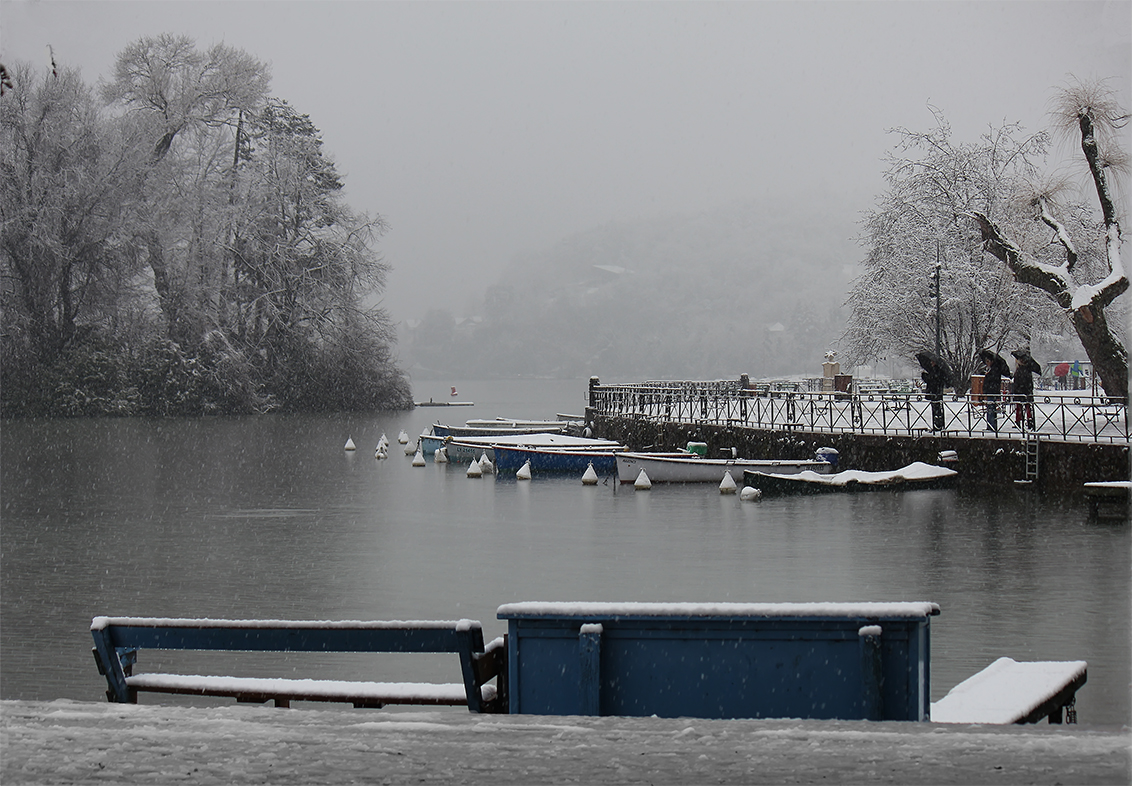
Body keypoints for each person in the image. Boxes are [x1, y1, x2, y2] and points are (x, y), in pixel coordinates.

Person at [916, 351, 951, 432]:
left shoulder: (936, 371)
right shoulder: (938, 371)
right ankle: (939, 425)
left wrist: (924, 376)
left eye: (932, 361)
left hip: (935, 392)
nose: (931, 363)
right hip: (937, 392)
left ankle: (937, 426)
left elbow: (932, 380)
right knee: (938, 409)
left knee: (936, 409)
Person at [979, 349, 1010, 433]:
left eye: (988, 361)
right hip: (991, 390)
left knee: (991, 408)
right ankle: (991, 425)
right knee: (990, 408)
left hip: (992, 391)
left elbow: (992, 380)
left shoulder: (994, 369)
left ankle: (991, 426)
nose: (986, 362)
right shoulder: (990, 369)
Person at [1011, 349, 1042, 430]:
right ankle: (1029, 421)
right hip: (1027, 391)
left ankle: (1018, 421)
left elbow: (1017, 382)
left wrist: (1015, 390)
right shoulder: (1028, 370)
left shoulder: (1019, 371)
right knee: (1028, 407)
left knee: (1019, 407)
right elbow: (1029, 382)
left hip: (1020, 392)